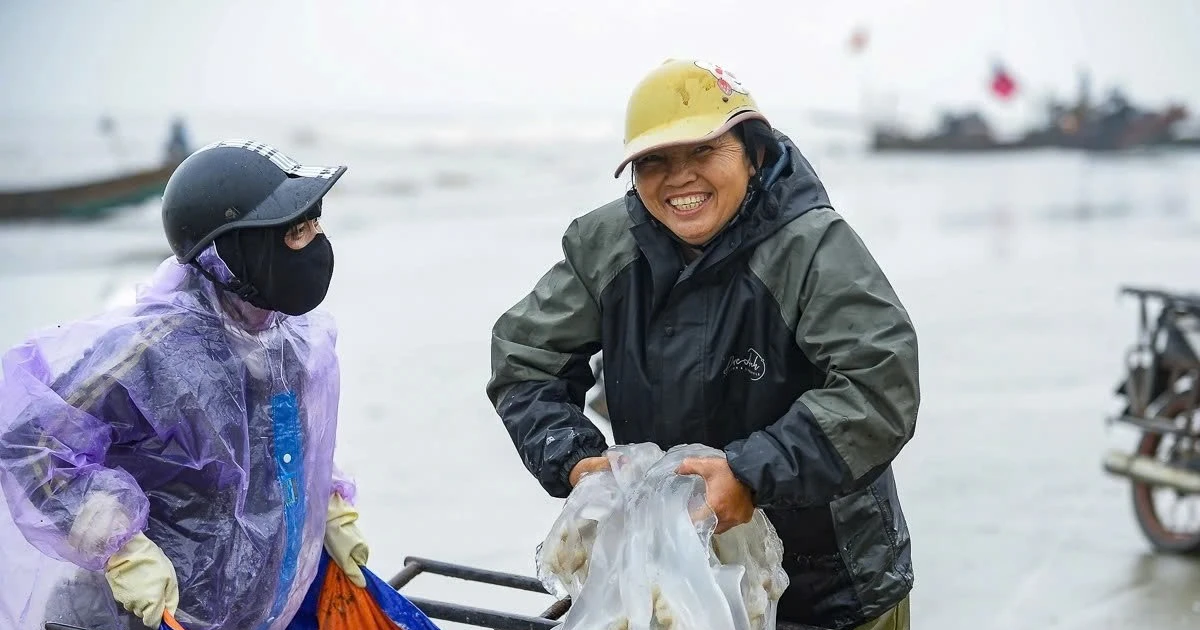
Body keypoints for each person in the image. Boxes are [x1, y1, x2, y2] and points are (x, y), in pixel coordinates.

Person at [486, 59, 919, 630]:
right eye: (654, 161)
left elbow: (880, 383)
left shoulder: (812, 247)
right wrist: (572, 459)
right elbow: (524, 358)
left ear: (753, 151)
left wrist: (752, 473)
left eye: (703, 152)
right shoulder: (607, 247)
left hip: (830, 588)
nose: (679, 178)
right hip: (672, 577)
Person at [0, 139, 370, 630]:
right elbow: (34, 440)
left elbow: (278, 443)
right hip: (136, 617)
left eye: (315, 223)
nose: (317, 240)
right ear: (235, 248)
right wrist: (118, 546)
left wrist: (328, 500)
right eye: (296, 231)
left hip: (251, 612)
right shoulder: (154, 349)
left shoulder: (293, 340)